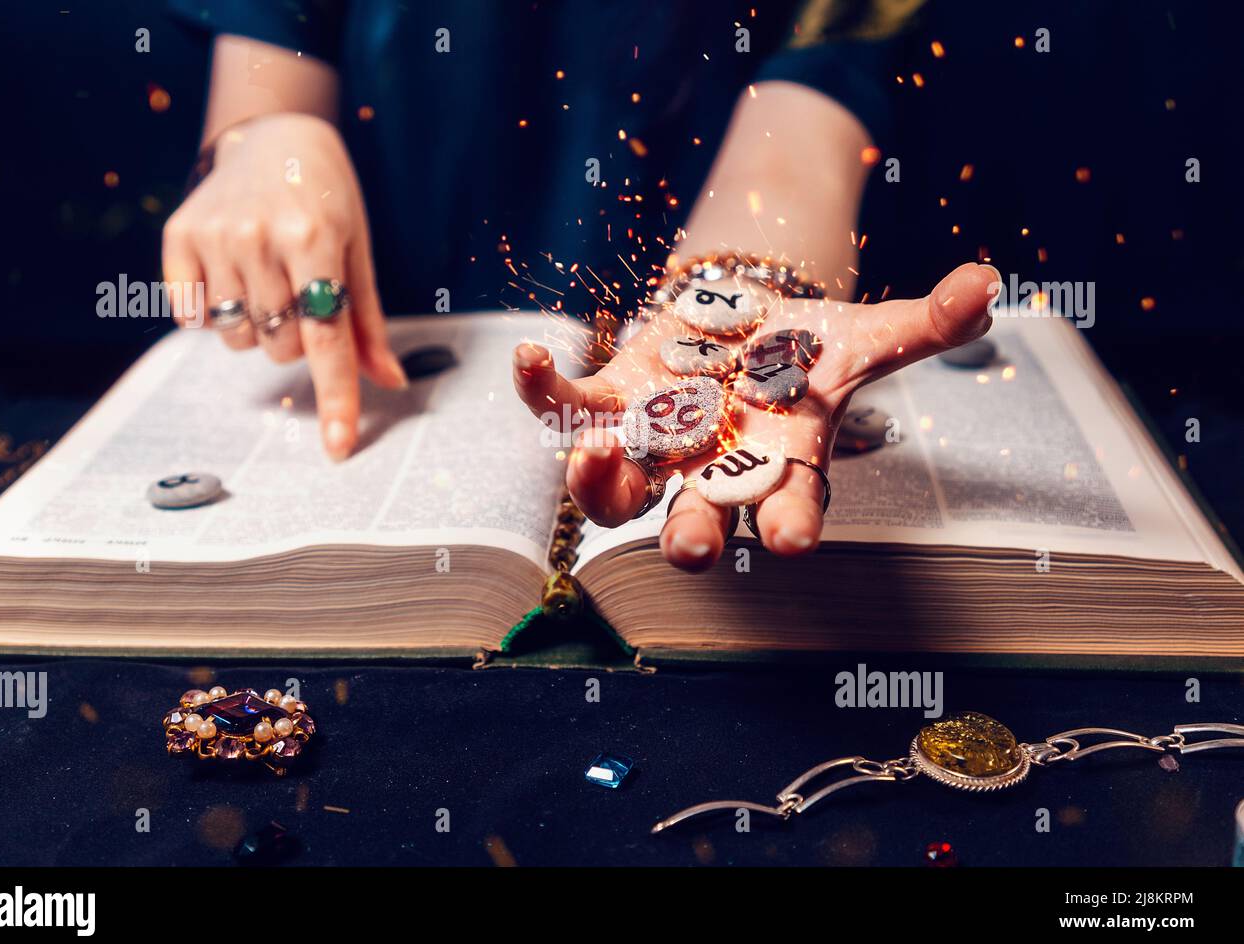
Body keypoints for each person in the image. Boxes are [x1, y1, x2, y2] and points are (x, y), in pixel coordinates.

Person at [165, 0, 995, 572]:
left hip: (708, 210)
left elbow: (824, 73)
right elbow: (270, 40)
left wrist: (739, 278)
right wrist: (264, 138)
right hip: (419, 262)